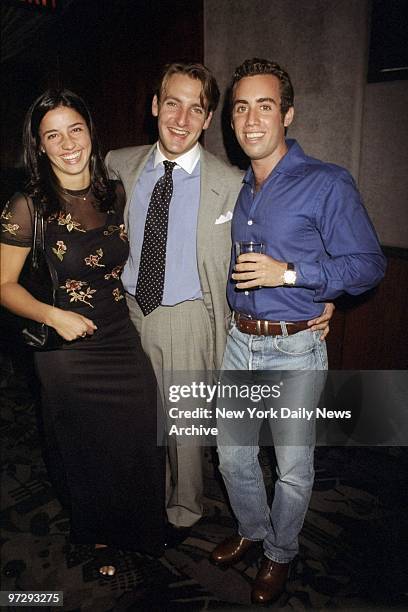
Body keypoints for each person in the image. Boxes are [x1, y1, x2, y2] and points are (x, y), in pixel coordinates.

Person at [105, 62, 334, 546]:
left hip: (187, 316)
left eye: (196, 108)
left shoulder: (232, 183)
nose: (181, 118)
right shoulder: (119, 164)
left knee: (185, 428)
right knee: (135, 419)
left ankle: (183, 512)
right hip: (125, 315)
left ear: (209, 119)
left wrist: (317, 295)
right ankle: (143, 494)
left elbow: (286, 240)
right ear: (155, 106)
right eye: (172, 103)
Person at [210, 58, 386, 604]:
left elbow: (369, 264)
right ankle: (251, 529)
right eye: (241, 107)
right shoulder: (240, 186)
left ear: (287, 113)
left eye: (265, 105)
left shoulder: (326, 181)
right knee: (233, 454)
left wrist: (294, 276)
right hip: (240, 341)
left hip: (294, 346)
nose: (251, 118)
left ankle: (279, 553)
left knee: (291, 467)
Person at [0, 89, 165, 576]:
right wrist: (54, 315)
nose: (67, 142)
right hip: (66, 350)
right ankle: (98, 540)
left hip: (118, 335)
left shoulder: (112, 191)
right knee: (87, 449)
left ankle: (137, 529)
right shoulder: (29, 205)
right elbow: (3, 286)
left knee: (139, 434)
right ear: (40, 146)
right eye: (53, 134)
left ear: (91, 132)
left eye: (75, 129)